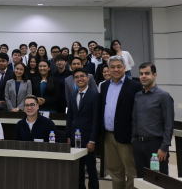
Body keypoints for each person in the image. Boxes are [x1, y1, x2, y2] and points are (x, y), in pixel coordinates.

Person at [100, 55, 142, 189]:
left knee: (131, 171)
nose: (116, 69)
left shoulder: (135, 86)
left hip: (127, 136)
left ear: (125, 68)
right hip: (108, 136)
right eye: (112, 67)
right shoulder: (104, 86)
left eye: (119, 66)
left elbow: (139, 112)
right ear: (108, 69)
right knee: (114, 171)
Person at [132, 63, 174, 178]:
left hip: (156, 146)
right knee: (141, 179)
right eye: (141, 74)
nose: (143, 76)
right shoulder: (138, 96)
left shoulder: (164, 96)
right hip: (138, 145)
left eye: (147, 73)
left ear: (154, 75)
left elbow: (169, 123)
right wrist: (134, 140)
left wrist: (164, 147)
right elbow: (135, 119)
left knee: (158, 180)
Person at [66, 68, 100, 189]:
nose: (79, 79)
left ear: (87, 78)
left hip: (88, 138)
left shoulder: (95, 95)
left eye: (82, 76)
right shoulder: (72, 94)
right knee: (77, 168)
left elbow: (96, 119)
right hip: (74, 137)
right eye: (76, 77)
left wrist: (93, 140)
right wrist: (68, 136)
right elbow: (69, 117)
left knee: (91, 168)